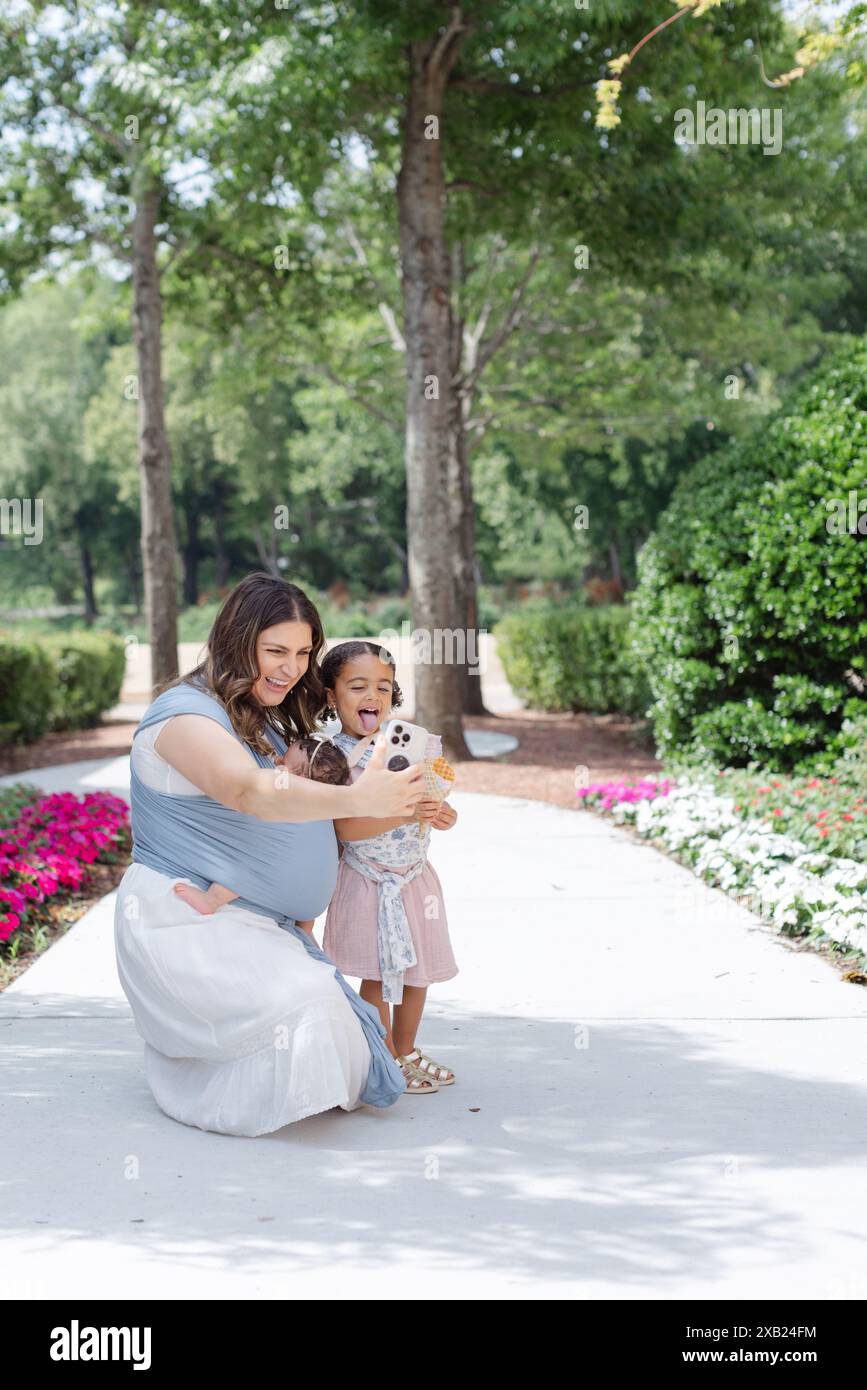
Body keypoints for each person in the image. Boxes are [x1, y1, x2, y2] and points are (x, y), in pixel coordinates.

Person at [113, 573, 425, 1137]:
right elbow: (247, 791)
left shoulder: (261, 720)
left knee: (335, 1034)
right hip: (186, 917)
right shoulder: (184, 715)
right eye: (275, 651)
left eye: (304, 653)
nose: (292, 668)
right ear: (237, 640)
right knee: (309, 1011)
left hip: (257, 922)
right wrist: (356, 795)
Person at [319, 640, 459, 1096]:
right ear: (331, 696)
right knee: (378, 973)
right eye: (357, 686)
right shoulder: (333, 759)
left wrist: (442, 814)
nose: (372, 696)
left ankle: (406, 1047)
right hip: (368, 879)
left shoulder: (410, 744)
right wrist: (406, 813)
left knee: (418, 971)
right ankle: (382, 1056)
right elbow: (344, 829)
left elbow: (436, 800)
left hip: (416, 877)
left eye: (383, 686)